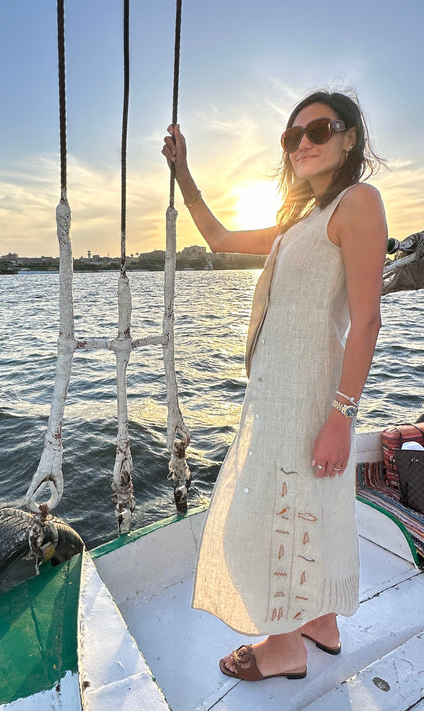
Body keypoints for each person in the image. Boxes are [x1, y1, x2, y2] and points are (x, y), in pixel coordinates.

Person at [162, 90, 387, 682]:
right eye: (292, 137)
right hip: (280, 394)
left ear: (350, 138)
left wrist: (342, 413)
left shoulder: (357, 203)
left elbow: (366, 319)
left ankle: (285, 645)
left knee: (262, 514)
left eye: (318, 130)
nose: (303, 144)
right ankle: (321, 622)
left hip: (311, 398)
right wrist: (183, 172)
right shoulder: (301, 222)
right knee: (312, 505)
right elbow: (217, 238)